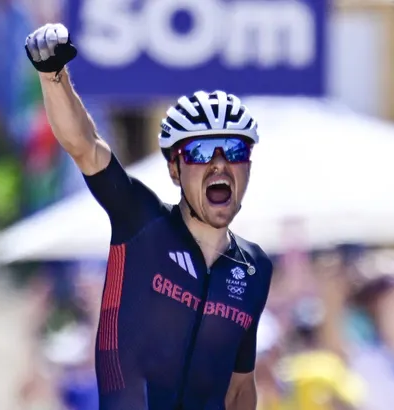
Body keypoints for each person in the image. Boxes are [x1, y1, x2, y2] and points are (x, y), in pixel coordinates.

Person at [24, 23, 273, 410]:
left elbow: (240, 387)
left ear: (249, 167)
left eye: (235, 151)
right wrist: (52, 74)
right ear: (174, 169)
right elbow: (85, 146)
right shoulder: (141, 222)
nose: (220, 165)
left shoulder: (254, 267)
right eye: (201, 153)